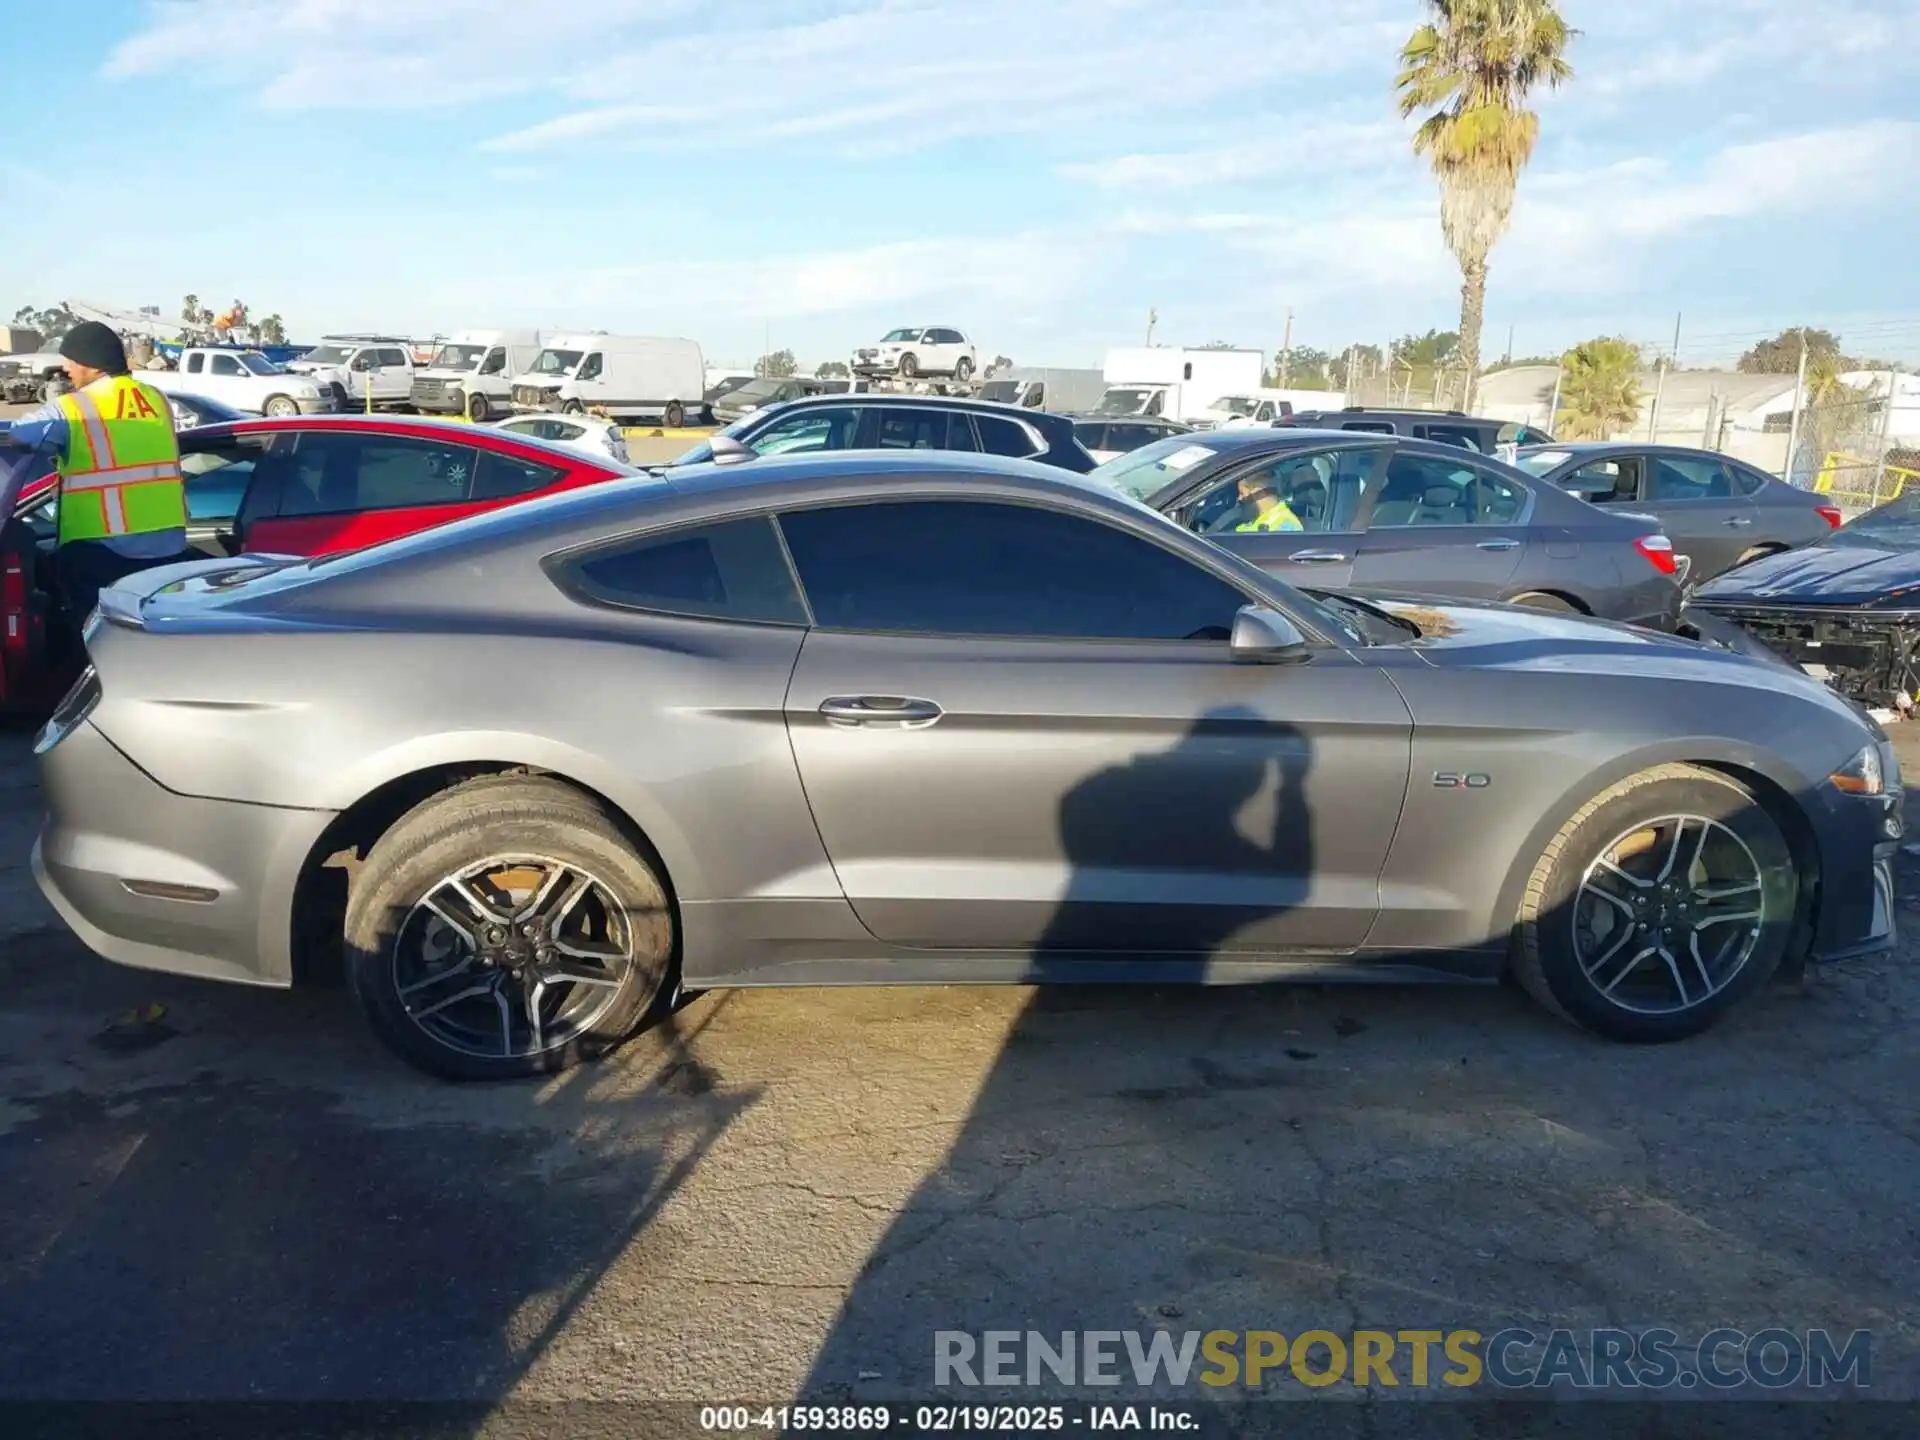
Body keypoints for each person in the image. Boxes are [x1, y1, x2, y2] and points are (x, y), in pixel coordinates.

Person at [0, 321, 195, 621]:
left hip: (104, 550)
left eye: (71, 361)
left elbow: (18, 436)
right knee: (153, 637)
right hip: (168, 548)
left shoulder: (74, 408)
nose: (66, 368)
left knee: (98, 640)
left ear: (92, 363)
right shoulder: (157, 400)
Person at [1230, 473, 1304, 532]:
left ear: (1259, 492)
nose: (1239, 498)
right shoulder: (1255, 519)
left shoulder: (1285, 527)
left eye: (1242, 493)